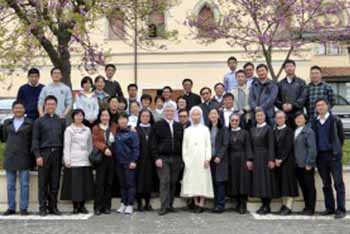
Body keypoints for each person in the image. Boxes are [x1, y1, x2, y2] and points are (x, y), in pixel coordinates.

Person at [311, 98, 346, 219]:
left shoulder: (335, 120)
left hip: (333, 155)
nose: (320, 107)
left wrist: (336, 150)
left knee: (338, 183)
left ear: (327, 106)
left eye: (322, 105)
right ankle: (330, 208)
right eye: (318, 106)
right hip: (320, 156)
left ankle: (341, 209)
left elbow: (341, 138)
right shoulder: (314, 122)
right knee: (326, 184)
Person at [32, 95, 66, 216]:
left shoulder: (61, 121)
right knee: (43, 183)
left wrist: (63, 156)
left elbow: (63, 139)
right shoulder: (39, 121)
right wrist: (37, 156)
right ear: (45, 106)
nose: (51, 106)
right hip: (44, 154)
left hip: (57, 153)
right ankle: (42, 207)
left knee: (55, 182)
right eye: (48, 104)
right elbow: (35, 140)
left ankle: (53, 206)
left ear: (56, 106)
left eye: (53, 104)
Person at [1, 101, 32, 216]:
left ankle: (23, 208)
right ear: (12, 110)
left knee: (24, 184)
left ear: (24, 110)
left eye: (20, 108)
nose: (18, 110)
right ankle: (11, 207)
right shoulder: (7, 123)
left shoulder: (29, 123)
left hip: (24, 156)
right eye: (16, 108)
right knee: (10, 185)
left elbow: (31, 140)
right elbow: (4, 138)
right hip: (10, 156)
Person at [61, 109, 94, 214]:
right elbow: (67, 145)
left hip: (85, 160)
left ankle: (82, 206)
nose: (79, 117)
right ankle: (75, 206)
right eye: (77, 115)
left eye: (81, 115)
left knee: (84, 185)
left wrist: (90, 157)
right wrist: (67, 159)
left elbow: (90, 145)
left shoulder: (87, 129)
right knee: (74, 186)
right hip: (74, 160)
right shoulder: (69, 129)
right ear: (73, 117)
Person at [181, 106, 214, 213]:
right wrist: (186, 160)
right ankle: (195, 202)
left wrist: (207, 158)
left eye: (198, 114)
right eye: (194, 115)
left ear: (201, 116)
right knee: (193, 181)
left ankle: (201, 203)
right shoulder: (187, 130)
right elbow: (184, 147)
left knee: (202, 180)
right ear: (191, 116)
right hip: (191, 160)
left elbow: (208, 145)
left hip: (202, 159)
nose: (195, 117)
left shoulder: (205, 129)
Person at [153, 103, 184, 216]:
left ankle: (170, 205)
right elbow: (153, 143)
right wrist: (156, 157)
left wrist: (181, 158)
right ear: (165, 112)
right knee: (164, 181)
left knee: (173, 182)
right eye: (168, 111)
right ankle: (164, 206)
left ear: (174, 113)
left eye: (172, 111)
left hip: (176, 158)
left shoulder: (178, 126)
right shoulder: (158, 125)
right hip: (163, 158)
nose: (170, 113)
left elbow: (182, 143)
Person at [250, 109, 278, 215]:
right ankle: (263, 204)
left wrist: (271, 159)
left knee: (266, 181)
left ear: (264, 117)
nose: (259, 117)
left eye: (261, 115)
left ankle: (267, 205)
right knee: (259, 182)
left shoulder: (268, 128)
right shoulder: (252, 129)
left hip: (266, 157)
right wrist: (251, 159)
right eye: (257, 116)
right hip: (256, 158)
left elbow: (271, 145)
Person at [92, 109, 118, 215]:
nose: (105, 117)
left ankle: (107, 206)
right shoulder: (96, 128)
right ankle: (98, 207)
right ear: (100, 117)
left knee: (109, 183)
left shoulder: (113, 127)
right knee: (100, 183)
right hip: (101, 157)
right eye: (103, 115)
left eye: (107, 115)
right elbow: (96, 141)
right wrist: (105, 148)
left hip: (111, 157)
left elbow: (123, 127)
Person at [227, 113, 253, 214]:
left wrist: (249, 159)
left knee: (243, 181)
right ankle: (237, 202)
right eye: (232, 120)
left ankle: (243, 204)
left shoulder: (245, 132)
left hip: (243, 159)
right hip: (232, 159)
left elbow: (248, 146)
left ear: (239, 121)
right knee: (235, 181)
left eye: (236, 120)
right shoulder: (227, 133)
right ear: (230, 121)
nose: (234, 122)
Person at [273, 111, 299, 215]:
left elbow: (288, 147)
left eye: (281, 118)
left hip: (287, 161)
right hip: (277, 162)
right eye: (278, 118)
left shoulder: (289, 131)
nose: (279, 119)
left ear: (285, 119)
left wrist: (281, 159)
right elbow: (273, 146)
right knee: (282, 185)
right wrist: (275, 158)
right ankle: (283, 205)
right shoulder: (274, 131)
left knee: (288, 185)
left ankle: (288, 207)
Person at [114, 113, 139, 215]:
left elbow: (136, 148)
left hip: (129, 162)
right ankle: (123, 203)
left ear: (127, 120)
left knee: (130, 184)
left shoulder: (132, 133)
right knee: (122, 184)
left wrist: (134, 160)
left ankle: (130, 204)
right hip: (119, 162)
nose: (122, 121)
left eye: (124, 119)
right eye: (120, 119)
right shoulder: (117, 132)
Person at [293, 111, 317, 216]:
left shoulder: (309, 131)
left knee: (309, 187)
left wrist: (309, 163)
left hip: (306, 165)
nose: (298, 120)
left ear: (305, 119)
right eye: (297, 118)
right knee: (303, 187)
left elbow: (312, 149)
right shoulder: (296, 131)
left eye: (301, 118)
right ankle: (307, 206)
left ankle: (311, 209)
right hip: (298, 165)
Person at [136, 109, 158, 212]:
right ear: (140, 117)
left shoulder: (153, 129)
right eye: (143, 116)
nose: (145, 118)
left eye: (147, 116)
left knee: (149, 182)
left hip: (150, 160)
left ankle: (148, 203)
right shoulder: (135, 129)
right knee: (139, 182)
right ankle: (139, 203)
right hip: (139, 160)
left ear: (150, 118)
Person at [208, 108, 229, 213]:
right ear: (208, 116)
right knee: (214, 182)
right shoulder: (208, 128)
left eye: (215, 113)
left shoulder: (223, 129)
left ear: (218, 115)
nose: (213, 115)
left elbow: (225, 144)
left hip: (220, 159)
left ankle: (220, 205)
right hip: (210, 159)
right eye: (211, 113)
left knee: (220, 182)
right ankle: (215, 204)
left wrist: (219, 156)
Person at [276, 60, 307, 128]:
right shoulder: (280, 84)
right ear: (284, 69)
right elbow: (276, 99)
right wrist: (282, 105)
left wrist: (292, 106)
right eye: (287, 66)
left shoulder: (301, 82)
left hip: (298, 114)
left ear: (294, 67)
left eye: (291, 66)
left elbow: (303, 97)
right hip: (284, 116)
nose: (289, 68)